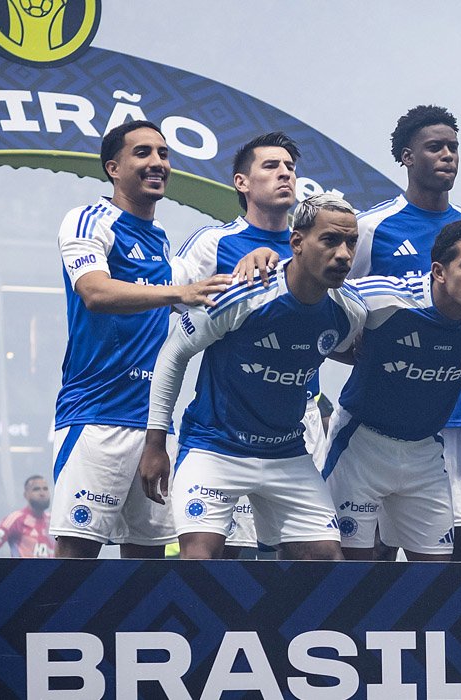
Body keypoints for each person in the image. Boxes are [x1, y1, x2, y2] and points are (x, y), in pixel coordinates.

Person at [138, 193, 366, 560]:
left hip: (287, 453)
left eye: (351, 242)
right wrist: (155, 444)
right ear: (297, 243)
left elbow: (329, 344)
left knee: (328, 565)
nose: (343, 253)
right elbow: (173, 353)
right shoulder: (242, 293)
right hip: (215, 447)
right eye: (330, 240)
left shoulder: (351, 311)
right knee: (198, 562)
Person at [51, 120, 232, 559]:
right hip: (95, 416)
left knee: (149, 562)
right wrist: (180, 293)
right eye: (143, 153)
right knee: (75, 558)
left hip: (153, 426)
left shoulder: (160, 239)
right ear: (113, 168)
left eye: (164, 154)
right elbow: (95, 292)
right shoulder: (89, 219)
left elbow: (189, 295)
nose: (157, 163)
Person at [324, 220, 461, 561]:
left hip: (424, 452)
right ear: (439, 271)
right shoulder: (386, 297)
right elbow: (317, 292)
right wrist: (345, 350)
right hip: (360, 446)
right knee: (350, 575)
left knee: (437, 580)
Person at [349, 105, 461, 562]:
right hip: (385, 421)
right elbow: (341, 312)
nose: (448, 155)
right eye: (435, 147)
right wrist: (370, 358)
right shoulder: (373, 229)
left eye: (453, 147)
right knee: (373, 560)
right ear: (407, 157)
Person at [171, 131, 311, 558]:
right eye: (271, 166)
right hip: (225, 429)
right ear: (242, 182)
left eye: (289, 167)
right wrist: (236, 290)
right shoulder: (213, 244)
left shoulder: (314, 246)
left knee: (300, 560)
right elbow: (174, 312)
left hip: (299, 427)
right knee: (227, 558)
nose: (284, 173)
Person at [0, 476, 54, 558]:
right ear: (26, 495)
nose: (42, 493)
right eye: (36, 489)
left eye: (45, 489)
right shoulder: (15, 520)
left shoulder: (53, 521)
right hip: (24, 570)